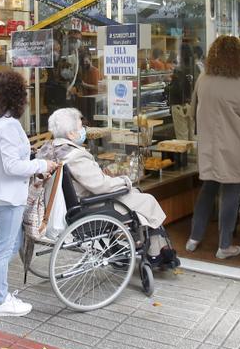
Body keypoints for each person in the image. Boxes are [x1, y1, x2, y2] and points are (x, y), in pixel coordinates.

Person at [40, 108, 179, 267]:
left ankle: (148, 244)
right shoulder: (75, 156)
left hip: (72, 205)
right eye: (81, 127)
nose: (84, 130)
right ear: (71, 134)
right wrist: (124, 180)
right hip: (90, 207)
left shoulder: (50, 151)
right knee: (147, 200)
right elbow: (101, 186)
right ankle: (155, 253)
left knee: (136, 196)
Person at [0, 70, 57, 317]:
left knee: (11, 244)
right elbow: (12, 167)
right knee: (4, 248)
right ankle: (0, 301)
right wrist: (42, 165)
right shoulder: (8, 125)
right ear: (18, 96)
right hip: (7, 194)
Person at [186, 36, 240, 260]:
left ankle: (193, 238)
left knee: (207, 190)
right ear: (238, 58)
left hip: (209, 146)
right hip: (235, 147)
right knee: (231, 193)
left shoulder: (203, 80)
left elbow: (191, 112)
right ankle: (224, 245)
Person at [168, 43, 197, 140]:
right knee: (192, 135)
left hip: (179, 105)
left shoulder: (179, 69)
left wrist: (167, 87)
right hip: (192, 105)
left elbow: (176, 89)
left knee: (182, 138)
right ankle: (192, 155)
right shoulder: (196, 68)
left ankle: (184, 155)